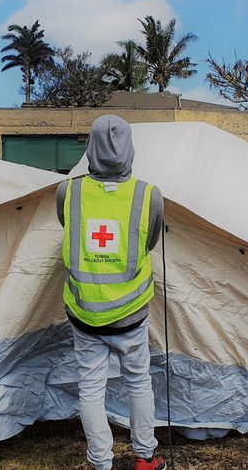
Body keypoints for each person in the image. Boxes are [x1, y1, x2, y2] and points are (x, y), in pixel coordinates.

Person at [56, 115, 166, 470]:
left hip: (84, 312)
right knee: (138, 384)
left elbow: (67, 227)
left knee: (90, 389)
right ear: (129, 149)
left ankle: (99, 463)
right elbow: (148, 243)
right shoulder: (149, 195)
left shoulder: (67, 191)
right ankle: (145, 458)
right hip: (131, 313)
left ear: (90, 148)